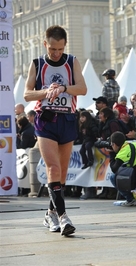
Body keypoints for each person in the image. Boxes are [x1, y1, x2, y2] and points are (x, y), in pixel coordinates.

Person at [24, 25, 87, 236]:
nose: (56, 53)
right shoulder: (38, 64)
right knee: (53, 168)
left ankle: (50, 213)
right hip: (46, 120)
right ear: (45, 44)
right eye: (52, 49)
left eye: (59, 49)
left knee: (62, 173)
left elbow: (83, 88)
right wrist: (46, 91)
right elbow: (27, 94)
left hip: (68, 119)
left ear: (65, 45)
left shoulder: (72, 61)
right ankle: (63, 218)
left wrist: (63, 88)